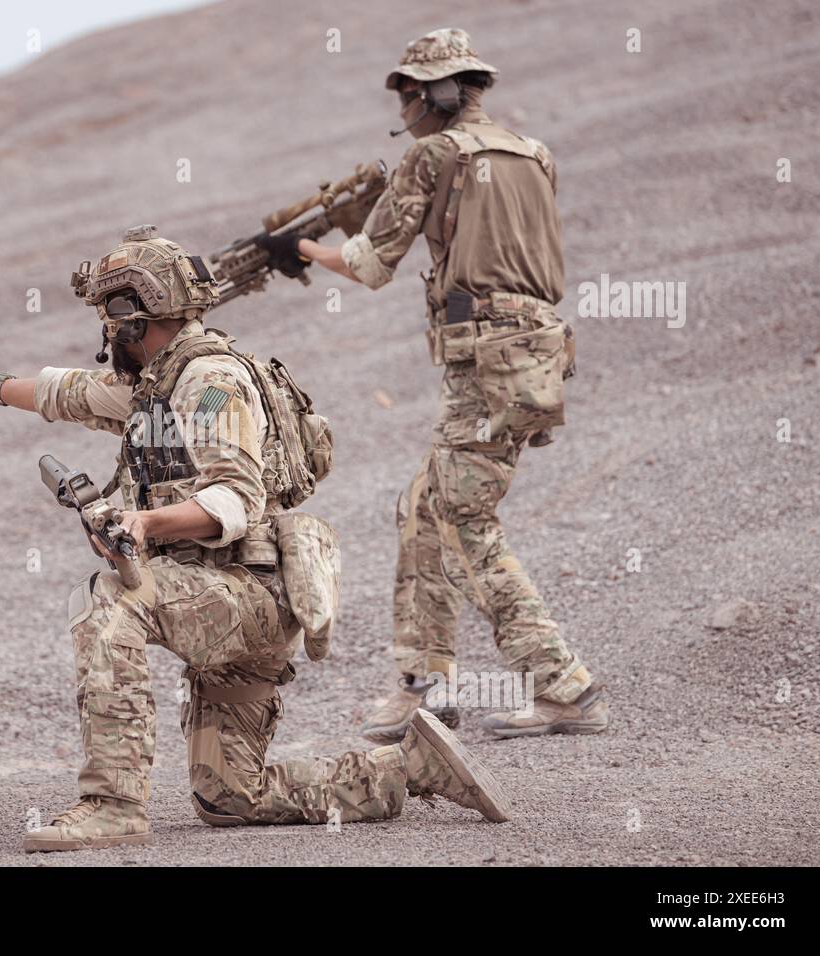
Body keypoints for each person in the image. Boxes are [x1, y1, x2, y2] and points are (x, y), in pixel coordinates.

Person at [0, 224, 511, 851]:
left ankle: (112, 805)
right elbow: (67, 392)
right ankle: (410, 769)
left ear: (132, 318)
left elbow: (236, 497)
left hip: (248, 592)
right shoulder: (158, 381)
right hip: (226, 594)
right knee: (231, 796)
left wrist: (145, 523)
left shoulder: (209, 382)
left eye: (107, 316)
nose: (102, 331)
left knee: (108, 603)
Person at [256, 29, 609, 741]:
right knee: (422, 509)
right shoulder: (532, 152)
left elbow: (370, 263)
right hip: (530, 354)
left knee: (460, 521)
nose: (405, 107)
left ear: (436, 92)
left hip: (485, 359)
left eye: (408, 93)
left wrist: (300, 248)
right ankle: (424, 687)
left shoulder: (435, 153)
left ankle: (564, 685)